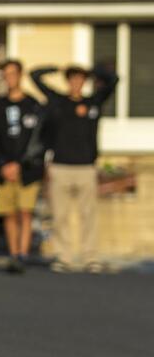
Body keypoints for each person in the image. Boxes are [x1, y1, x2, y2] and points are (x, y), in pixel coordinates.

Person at [30, 62, 118, 273]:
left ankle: (90, 257)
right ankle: (63, 257)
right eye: (73, 78)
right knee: (60, 215)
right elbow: (34, 77)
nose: (76, 83)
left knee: (88, 215)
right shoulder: (58, 102)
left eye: (80, 79)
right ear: (68, 81)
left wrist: (93, 70)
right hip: (60, 166)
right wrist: (57, 69)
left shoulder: (93, 102)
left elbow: (114, 80)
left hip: (86, 167)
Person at [0, 59, 46, 274]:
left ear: (20, 75)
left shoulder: (33, 105)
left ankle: (23, 254)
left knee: (25, 211)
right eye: (6, 74)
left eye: (13, 73)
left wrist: (21, 164)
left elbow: (39, 140)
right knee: (9, 213)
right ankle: (12, 254)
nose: (9, 78)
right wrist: (4, 164)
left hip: (28, 170)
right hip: (4, 170)